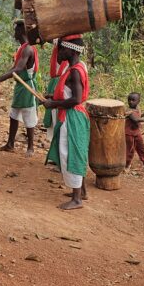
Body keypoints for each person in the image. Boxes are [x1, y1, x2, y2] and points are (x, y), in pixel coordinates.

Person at [42, 36, 90, 210]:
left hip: (72, 117)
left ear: (70, 50)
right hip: (73, 115)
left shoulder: (75, 71)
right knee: (76, 151)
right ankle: (82, 191)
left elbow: (76, 99)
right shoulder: (76, 67)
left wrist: (53, 104)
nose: (58, 53)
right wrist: (52, 98)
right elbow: (69, 94)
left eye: (61, 49)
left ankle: (77, 199)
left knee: (70, 153)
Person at [0, 20, 40, 156]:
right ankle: (10, 144)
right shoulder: (22, 48)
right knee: (14, 114)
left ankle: (31, 147)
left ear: (22, 32)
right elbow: (14, 68)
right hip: (20, 85)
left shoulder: (28, 48)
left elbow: (18, 69)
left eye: (16, 30)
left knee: (29, 115)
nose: (14, 33)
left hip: (27, 86)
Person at [43, 39, 67, 143]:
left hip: (62, 95)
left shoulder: (70, 64)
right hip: (53, 89)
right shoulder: (55, 53)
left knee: (60, 120)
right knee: (53, 119)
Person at [125, 92, 144, 172]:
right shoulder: (129, 111)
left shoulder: (137, 108)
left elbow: (138, 117)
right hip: (129, 133)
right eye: (129, 100)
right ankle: (127, 165)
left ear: (138, 101)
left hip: (137, 132)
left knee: (142, 148)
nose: (130, 102)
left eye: (133, 100)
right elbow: (135, 119)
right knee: (130, 150)